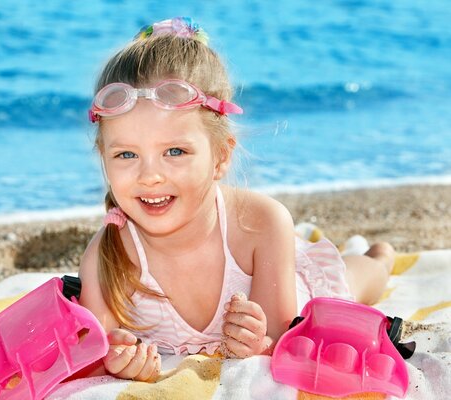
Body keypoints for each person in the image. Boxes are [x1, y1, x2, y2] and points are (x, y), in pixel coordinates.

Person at [78, 17, 395, 383]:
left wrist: (258, 342)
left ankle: (380, 256)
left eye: (176, 151)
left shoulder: (262, 222)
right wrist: (119, 360)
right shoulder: (106, 255)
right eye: (126, 155)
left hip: (295, 290)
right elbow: (97, 353)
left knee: (354, 281)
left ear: (221, 156)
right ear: (104, 157)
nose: (150, 175)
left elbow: (281, 340)